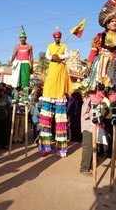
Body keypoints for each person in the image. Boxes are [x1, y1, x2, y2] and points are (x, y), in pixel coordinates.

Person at [38, 29, 72, 157]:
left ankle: (61, 149)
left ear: (60, 37)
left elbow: (67, 55)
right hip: (52, 73)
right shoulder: (50, 46)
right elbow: (48, 56)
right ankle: (45, 147)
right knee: (45, 119)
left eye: (59, 37)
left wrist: (60, 57)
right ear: (53, 37)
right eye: (55, 37)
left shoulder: (64, 46)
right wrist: (54, 57)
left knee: (61, 120)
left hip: (61, 74)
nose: (57, 38)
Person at [80, 93, 93, 174]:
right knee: (87, 148)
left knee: (90, 148)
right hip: (87, 128)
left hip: (90, 128)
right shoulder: (89, 101)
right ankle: (84, 168)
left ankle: (88, 166)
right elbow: (84, 115)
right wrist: (92, 113)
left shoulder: (90, 100)